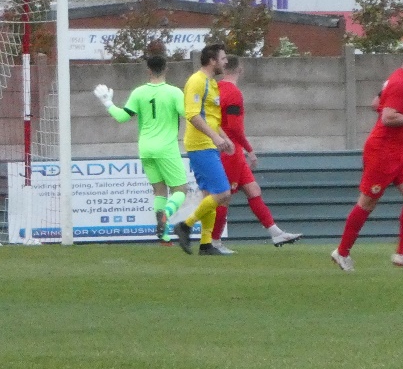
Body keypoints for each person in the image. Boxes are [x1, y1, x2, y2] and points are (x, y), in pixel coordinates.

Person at [331, 38, 403, 272]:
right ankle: (342, 252)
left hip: (402, 151)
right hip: (383, 151)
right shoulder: (401, 83)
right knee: (367, 202)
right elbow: (388, 118)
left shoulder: (400, 80)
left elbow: (375, 103)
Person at [210, 55, 303, 254]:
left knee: (253, 190)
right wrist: (250, 150)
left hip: (226, 148)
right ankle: (214, 242)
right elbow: (234, 128)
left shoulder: (216, 88)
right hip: (231, 150)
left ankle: (275, 233)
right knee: (224, 197)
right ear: (240, 69)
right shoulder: (234, 93)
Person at [93, 51, 188, 241]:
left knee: (159, 191)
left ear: (148, 71)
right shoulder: (174, 92)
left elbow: (122, 117)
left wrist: (108, 103)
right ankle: (166, 215)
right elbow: (187, 114)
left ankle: (164, 236)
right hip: (166, 148)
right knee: (181, 190)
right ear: (166, 69)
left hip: (145, 148)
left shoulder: (139, 92)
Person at [171, 43, 236, 256]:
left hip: (209, 143)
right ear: (212, 61)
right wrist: (215, 137)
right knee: (223, 192)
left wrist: (224, 138)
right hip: (200, 144)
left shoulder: (211, 83)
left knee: (209, 194)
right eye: (223, 58)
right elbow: (192, 114)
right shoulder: (197, 81)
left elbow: (211, 117)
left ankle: (206, 244)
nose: (226, 62)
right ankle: (185, 225)